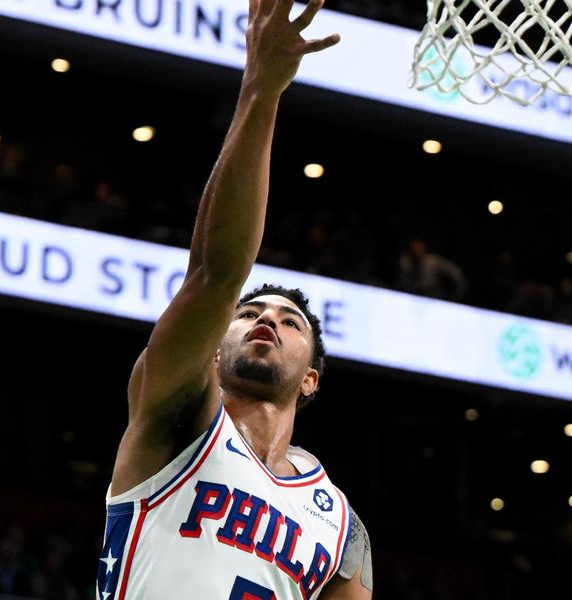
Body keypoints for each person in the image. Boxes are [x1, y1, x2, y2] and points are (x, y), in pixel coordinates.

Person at [95, 1, 372, 598]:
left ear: (311, 381)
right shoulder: (178, 412)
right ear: (213, 353)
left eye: (289, 321)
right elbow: (215, 274)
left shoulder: (341, 524)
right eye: (249, 314)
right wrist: (261, 92)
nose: (267, 321)